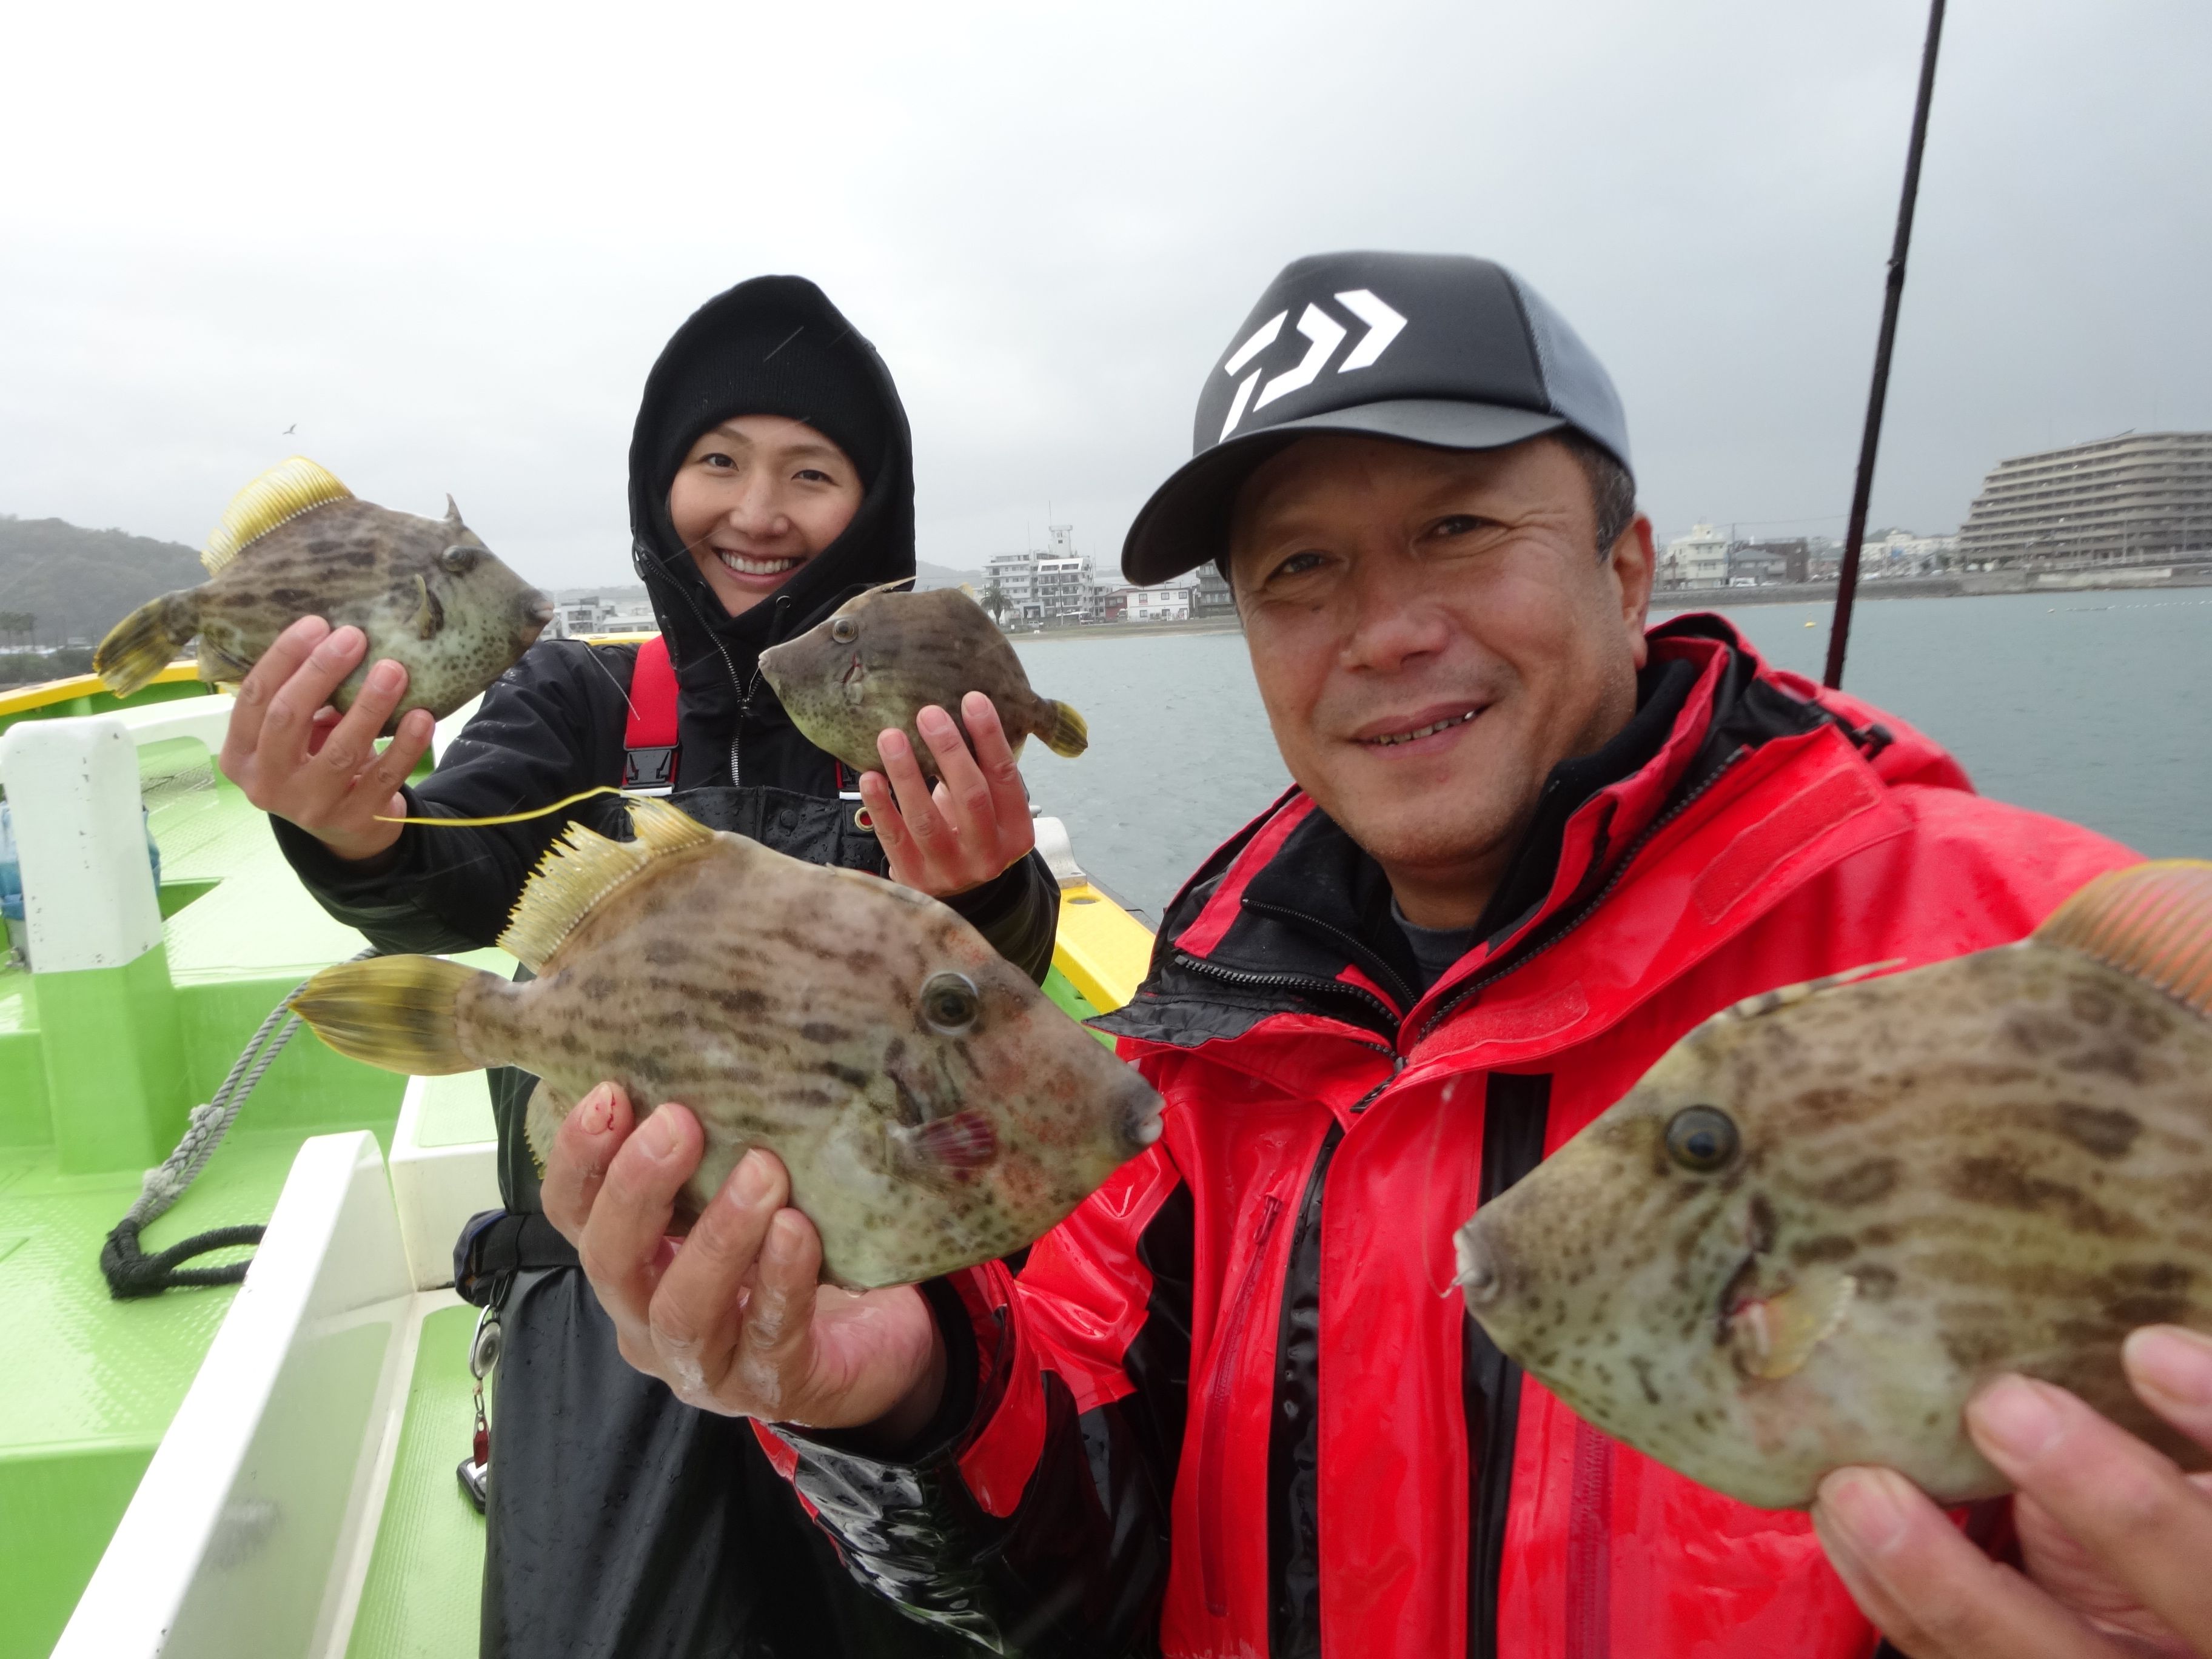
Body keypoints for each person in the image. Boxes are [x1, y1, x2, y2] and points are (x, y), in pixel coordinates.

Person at [539, 253, 2212, 1658]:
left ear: (1628, 567)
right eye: (1300, 569)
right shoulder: (1213, 1037)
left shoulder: (2021, 960)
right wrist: (903, 1396)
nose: (1388, 631)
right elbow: (1085, 1563)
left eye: (1462, 528)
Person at [219, 274, 1051, 1657]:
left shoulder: (904, 716)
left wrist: (991, 888)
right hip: (600, 1292)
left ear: (874, 507)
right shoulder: (585, 697)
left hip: (875, 1288)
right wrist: (355, 832)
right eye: (717, 461)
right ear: (659, 486)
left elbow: (987, 1007)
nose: (757, 510)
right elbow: (447, 871)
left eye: (812, 472)